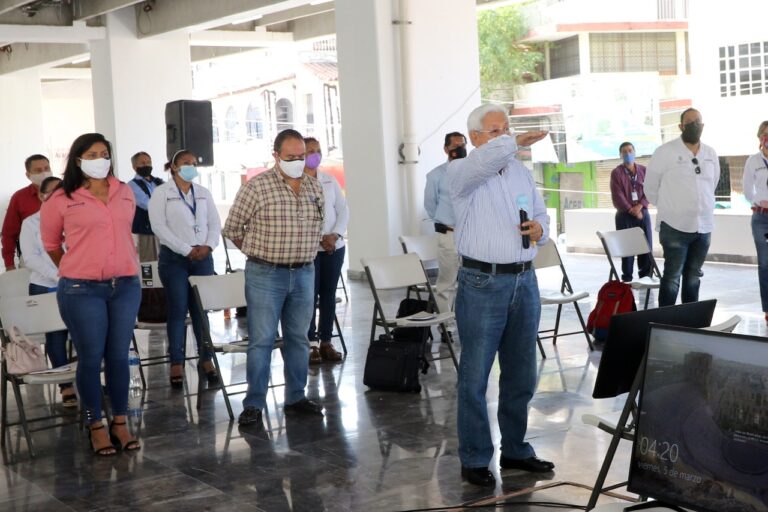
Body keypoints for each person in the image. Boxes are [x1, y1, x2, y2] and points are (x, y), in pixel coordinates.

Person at [446, 104, 553, 488]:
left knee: (521, 371)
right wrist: (513, 141)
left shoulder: (520, 171)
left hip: (524, 280)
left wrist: (541, 228)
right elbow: (486, 161)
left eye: (506, 130)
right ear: (474, 137)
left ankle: (516, 450)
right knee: (475, 374)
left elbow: (541, 213)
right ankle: (475, 457)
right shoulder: (462, 171)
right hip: (482, 283)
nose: (504, 137)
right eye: (495, 132)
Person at [40, 133, 141, 456]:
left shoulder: (124, 192)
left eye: (105, 153)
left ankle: (121, 422)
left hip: (125, 285)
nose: (100, 158)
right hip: (82, 289)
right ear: (78, 160)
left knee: (118, 356)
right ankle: (95, 423)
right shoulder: (62, 198)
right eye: (92, 154)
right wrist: (78, 266)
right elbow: (52, 245)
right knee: (90, 356)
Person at [223, 129, 325, 428]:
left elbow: (318, 228)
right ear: (276, 155)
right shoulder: (257, 187)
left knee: (298, 338)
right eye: (291, 157)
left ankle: (295, 397)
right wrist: (257, 252)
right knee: (262, 340)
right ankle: (254, 403)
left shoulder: (314, 188)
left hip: (304, 272)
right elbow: (232, 229)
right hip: (265, 273)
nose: (297, 161)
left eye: (301, 156)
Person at [148, 149, 221, 388]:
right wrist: (185, 249)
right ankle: (176, 361)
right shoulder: (162, 193)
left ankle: (206, 358)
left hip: (202, 257)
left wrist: (208, 247)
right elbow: (159, 227)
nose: (191, 166)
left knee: (201, 311)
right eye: (186, 163)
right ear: (174, 167)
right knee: (178, 309)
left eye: (194, 162)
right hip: (175, 259)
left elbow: (214, 223)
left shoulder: (203, 193)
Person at [644, 108, 720, 307]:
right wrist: (672, 207)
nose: (695, 125)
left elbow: (713, 184)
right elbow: (650, 188)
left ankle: (690, 325)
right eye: (690, 121)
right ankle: (665, 325)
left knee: (694, 276)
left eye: (698, 121)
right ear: (680, 126)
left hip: (703, 227)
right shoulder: (665, 152)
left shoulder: (710, 153)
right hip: (674, 227)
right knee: (671, 278)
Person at [18, 176, 76, 407]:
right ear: (42, 196)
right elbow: (31, 259)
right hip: (46, 284)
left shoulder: (71, 218)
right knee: (56, 336)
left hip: (73, 283)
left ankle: (83, 379)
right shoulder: (31, 223)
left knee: (82, 335)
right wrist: (60, 275)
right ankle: (66, 387)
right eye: (51, 193)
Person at [303, 137, 348, 364]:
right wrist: (318, 239)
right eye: (310, 151)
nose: (315, 154)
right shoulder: (296, 182)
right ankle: (310, 343)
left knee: (328, 295)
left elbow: (342, 210)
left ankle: (326, 341)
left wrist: (335, 235)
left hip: (334, 247)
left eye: (318, 150)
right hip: (309, 249)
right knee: (308, 296)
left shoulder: (329, 180)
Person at [424, 131, 467, 314]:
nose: (460, 149)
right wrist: (447, 221)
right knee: (447, 282)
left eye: (463, 145)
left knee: (472, 281)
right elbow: (430, 205)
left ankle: (467, 320)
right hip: (448, 234)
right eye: (455, 146)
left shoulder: (472, 171)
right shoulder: (436, 175)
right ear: (446, 149)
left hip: (471, 234)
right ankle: (446, 324)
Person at [609, 141, 653, 282]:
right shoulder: (616, 173)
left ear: (634, 152)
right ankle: (627, 279)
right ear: (620, 155)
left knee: (646, 247)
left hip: (642, 214)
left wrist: (641, 206)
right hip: (624, 215)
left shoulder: (644, 170)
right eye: (624, 152)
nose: (628, 153)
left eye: (630, 150)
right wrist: (630, 209)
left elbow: (650, 190)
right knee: (627, 249)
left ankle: (645, 277)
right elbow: (617, 195)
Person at [1, 154, 52, 270]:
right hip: (33, 259)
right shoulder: (19, 197)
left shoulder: (66, 193)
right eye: (38, 170)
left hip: (65, 257)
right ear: (28, 175)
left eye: (46, 168)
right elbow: (9, 234)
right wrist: (9, 265)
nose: (44, 173)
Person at [742, 120, 768, 323]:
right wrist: (758, 200)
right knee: (765, 264)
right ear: (759, 137)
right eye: (764, 134)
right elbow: (747, 189)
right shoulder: (753, 161)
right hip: (761, 218)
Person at [127, 151, 163, 262]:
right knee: (149, 263)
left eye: (148, 162)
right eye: (142, 163)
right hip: (146, 230)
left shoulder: (159, 182)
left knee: (166, 262)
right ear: (134, 167)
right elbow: (147, 204)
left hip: (163, 228)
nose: (146, 165)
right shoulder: (132, 185)